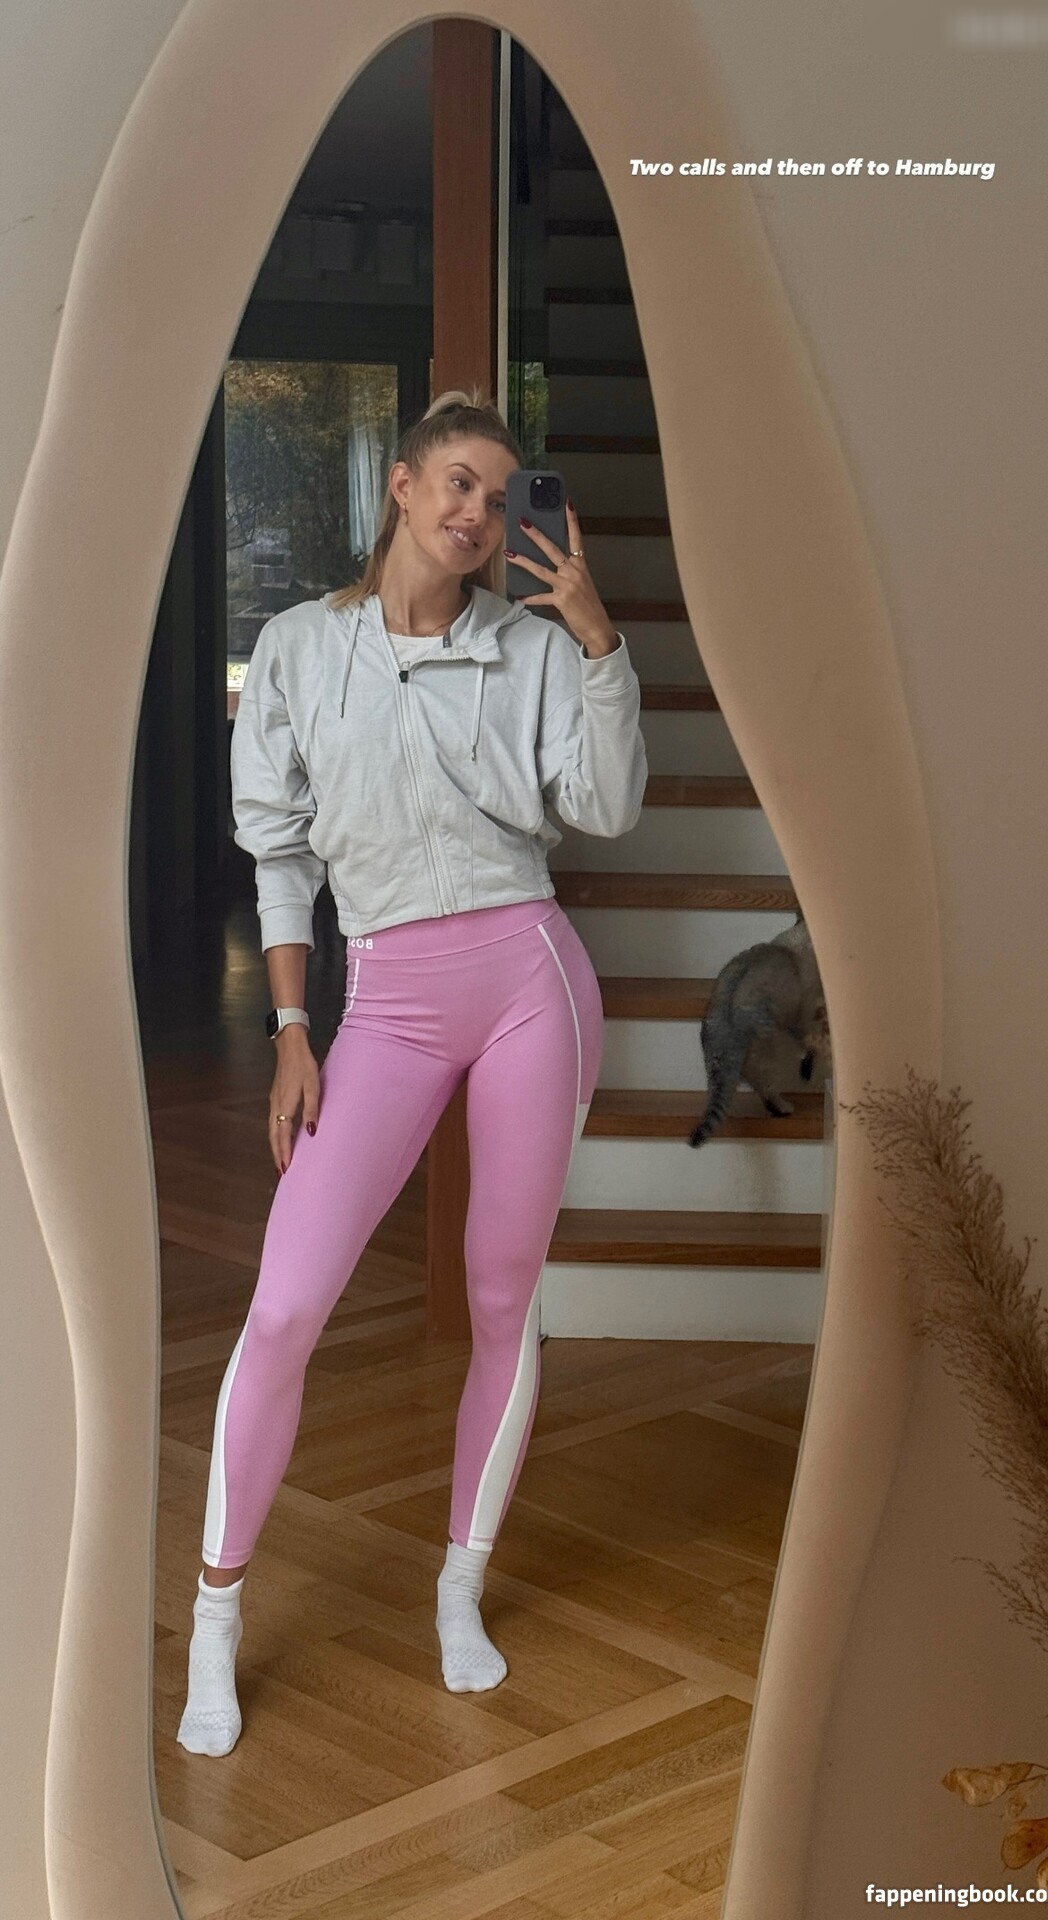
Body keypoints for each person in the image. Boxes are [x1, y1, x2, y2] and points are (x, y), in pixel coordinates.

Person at [177, 388, 648, 1756]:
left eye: (500, 498)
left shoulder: (534, 647)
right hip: (383, 998)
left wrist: (599, 643)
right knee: (283, 1310)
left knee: (502, 1298)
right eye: (457, 483)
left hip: (529, 983)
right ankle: (215, 1620)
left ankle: (460, 1586)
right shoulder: (296, 649)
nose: (479, 514)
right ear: (400, 485)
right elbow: (279, 853)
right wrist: (290, 1027)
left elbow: (605, 807)